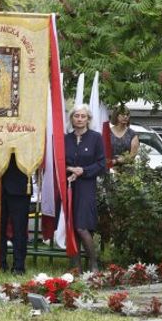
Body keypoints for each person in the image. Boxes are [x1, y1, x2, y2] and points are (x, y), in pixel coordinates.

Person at [65, 104, 106, 272]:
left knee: (82, 226)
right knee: (71, 225)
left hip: (86, 186)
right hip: (68, 185)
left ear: (88, 119)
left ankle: (94, 263)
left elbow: (102, 164)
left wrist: (83, 171)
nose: (80, 119)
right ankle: (76, 267)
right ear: (72, 119)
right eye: (77, 116)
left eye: (83, 116)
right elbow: (60, 161)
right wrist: (70, 169)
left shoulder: (95, 137)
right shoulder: (65, 138)